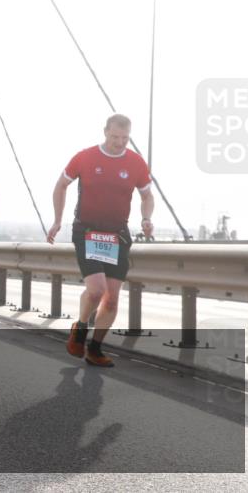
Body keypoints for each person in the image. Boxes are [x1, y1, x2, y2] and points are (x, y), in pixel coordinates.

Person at [49, 113, 154, 368]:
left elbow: (147, 196)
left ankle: (95, 349)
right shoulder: (85, 157)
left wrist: (146, 219)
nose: (120, 143)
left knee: (112, 298)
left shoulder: (136, 163)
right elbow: (60, 186)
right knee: (96, 289)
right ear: (105, 132)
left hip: (117, 234)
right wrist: (57, 220)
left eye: (125, 138)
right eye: (115, 137)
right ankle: (81, 328)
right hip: (87, 231)